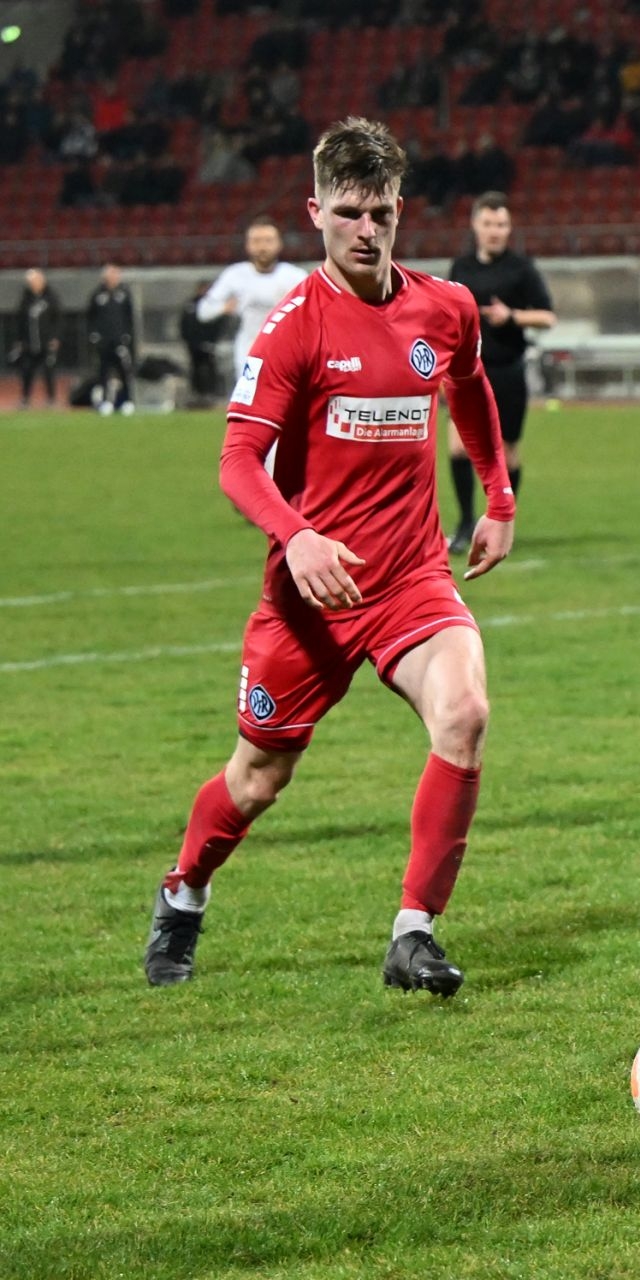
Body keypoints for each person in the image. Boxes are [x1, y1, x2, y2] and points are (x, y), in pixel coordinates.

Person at [143, 117, 517, 998]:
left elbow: (470, 388)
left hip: (410, 578)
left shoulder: (445, 307)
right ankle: (184, 893)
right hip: (308, 600)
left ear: (399, 210)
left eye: (380, 211)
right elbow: (237, 461)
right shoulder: (291, 331)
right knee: (258, 777)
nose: (365, 228)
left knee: (464, 712)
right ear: (316, 210)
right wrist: (297, 534)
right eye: (347, 211)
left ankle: (413, 932)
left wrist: (497, 496)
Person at [446, 190, 555, 553]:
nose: (495, 231)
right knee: (459, 448)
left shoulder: (522, 269)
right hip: (466, 372)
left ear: (509, 228)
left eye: (502, 224)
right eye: (489, 223)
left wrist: (512, 317)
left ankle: (501, 522)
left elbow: (547, 316)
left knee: (505, 454)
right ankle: (463, 524)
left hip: (507, 370)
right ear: (476, 225)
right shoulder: (461, 267)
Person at [197, 215, 309, 384]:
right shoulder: (235, 275)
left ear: (279, 244)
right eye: (256, 241)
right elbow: (203, 311)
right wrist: (223, 308)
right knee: (248, 407)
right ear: (247, 245)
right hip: (248, 351)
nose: (262, 247)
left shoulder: (295, 277)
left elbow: (316, 314)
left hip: (288, 352)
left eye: (268, 240)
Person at [86, 263, 136, 415]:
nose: (113, 278)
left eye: (115, 275)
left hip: (121, 341)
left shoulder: (124, 294)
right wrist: (94, 335)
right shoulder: (97, 295)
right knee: (103, 372)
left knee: (124, 372)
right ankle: (106, 401)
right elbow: (91, 317)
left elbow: (130, 317)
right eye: (110, 275)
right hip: (104, 342)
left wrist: (128, 335)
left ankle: (127, 400)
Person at [12, 268, 61, 408]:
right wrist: (19, 340)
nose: (32, 284)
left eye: (34, 281)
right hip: (29, 343)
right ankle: (25, 399)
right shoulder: (25, 299)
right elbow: (20, 321)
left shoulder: (50, 297)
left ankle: (51, 399)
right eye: (30, 282)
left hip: (46, 343)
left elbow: (57, 319)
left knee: (49, 370)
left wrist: (55, 337)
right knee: (27, 371)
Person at [180, 281, 224, 405]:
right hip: (193, 344)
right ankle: (197, 394)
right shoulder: (191, 304)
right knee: (195, 368)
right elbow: (185, 325)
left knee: (210, 368)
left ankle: (210, 394)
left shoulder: (212, 305)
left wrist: (212, 339)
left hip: (208, 343)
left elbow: (218, 325)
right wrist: (189, 340)